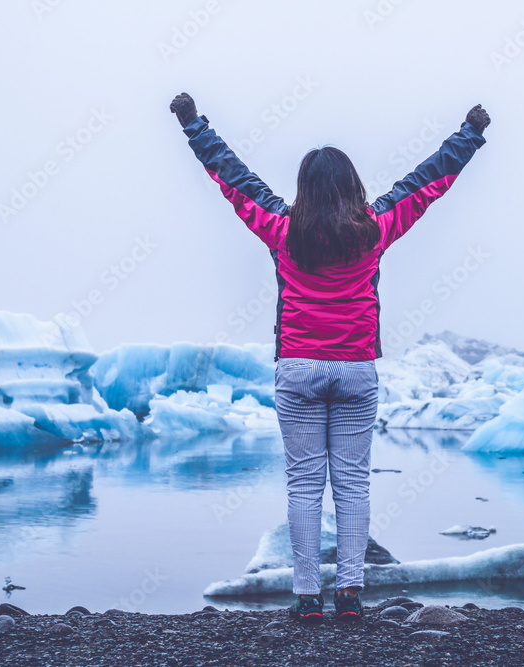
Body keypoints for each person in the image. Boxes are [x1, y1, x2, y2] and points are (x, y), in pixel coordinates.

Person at [170, 92, 490, 623]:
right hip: (357, 369)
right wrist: (468, 135)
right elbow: (426, 183)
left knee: (302, 482)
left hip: (298, 367)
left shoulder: (279, 227)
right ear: (352, 186)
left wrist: (193, 125)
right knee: (353, 483)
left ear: (304, 188)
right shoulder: (376, 227)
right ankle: (349, 593)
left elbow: (233, 179)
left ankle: (306, 597)